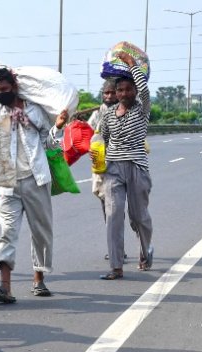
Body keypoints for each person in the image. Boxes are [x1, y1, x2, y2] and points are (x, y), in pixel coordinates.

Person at [0, 67, 68, 304]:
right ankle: (5, 287)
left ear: (15, 88)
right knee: (7, 232)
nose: (0, 94)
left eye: (5, 89)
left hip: (35, 178)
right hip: (7, 183)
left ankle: (39, 278)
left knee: (41, 231)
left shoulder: (34, 111)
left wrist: (57, 127)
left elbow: (48, 143)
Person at [98, 52, 154, 280]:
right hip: (113, 169)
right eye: (120, 90)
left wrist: (132, 66)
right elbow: (105, 137)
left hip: (137, 167)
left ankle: (146, 249)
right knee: (113, 215)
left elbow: (146, 91)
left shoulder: (141, 110)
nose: (123, 94)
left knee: (138, 216)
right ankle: (116, 266)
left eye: (128, 89)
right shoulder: (109, 114)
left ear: (135, 91)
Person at [88, 79, 127, 261]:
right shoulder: (97, 114)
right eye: (106, 93)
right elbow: (88, 135)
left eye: (113, 93)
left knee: (130, 211)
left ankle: (141, 245)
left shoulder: (127, 111)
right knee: (108, 206)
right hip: (103, 167)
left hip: (124, 164)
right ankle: (116, 248)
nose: (109, 96)